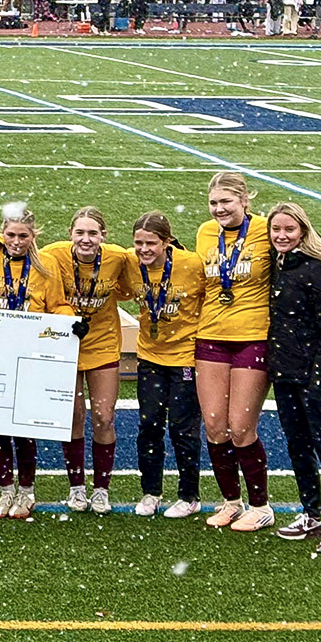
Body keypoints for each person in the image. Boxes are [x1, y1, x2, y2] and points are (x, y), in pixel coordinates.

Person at [265, 203, 321, 554]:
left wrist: (320, 379)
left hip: (318, 377)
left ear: (303, 230)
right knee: (298, 446)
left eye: (289, 229)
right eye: (276, 230)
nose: (281, 235)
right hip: (285, 373)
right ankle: (311, 512)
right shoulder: (279, 264)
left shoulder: (320, 269)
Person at [195, 171, 275, 531]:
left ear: (245, 200)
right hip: (210, 336)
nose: (218, 209)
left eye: (226, 201)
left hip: (252, 337)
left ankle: (261, 505)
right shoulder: (204, 232)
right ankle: (231, 501)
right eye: (213, 203)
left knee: (241, 427)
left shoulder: (266, 229)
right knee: (214, 426)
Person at [41, 207, 132, 515]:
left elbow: (133, 282)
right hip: (65, 344)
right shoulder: (52, 255)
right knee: (73, 417)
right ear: (70, 234)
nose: (86, 239)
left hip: (103, 343)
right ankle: (76, 487)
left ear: (103, 236)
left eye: (93, 233)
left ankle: (102, 490)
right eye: (80, 232)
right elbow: (18, 245)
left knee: (104, 417)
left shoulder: (118, 258)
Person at [0, 207, 64, 519]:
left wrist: (71, 323)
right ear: (2, 234)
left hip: (30, 356)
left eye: (23, 236)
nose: (16, 241)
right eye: (11, 235)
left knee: (23, 427)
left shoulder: (46, 267)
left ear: (34, 236)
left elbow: (57, 305)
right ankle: (5, 490)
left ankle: (27, 491)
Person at [128, 212, 206, 519]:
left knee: (182, 427)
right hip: (149, 356)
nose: (144, 249)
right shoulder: (129, 263)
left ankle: (189, 495)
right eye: (138, 243)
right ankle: (151, 492)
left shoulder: (192, 264)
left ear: (167, 242)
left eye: (151, 243)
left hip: (185, 357)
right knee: (149, 425)